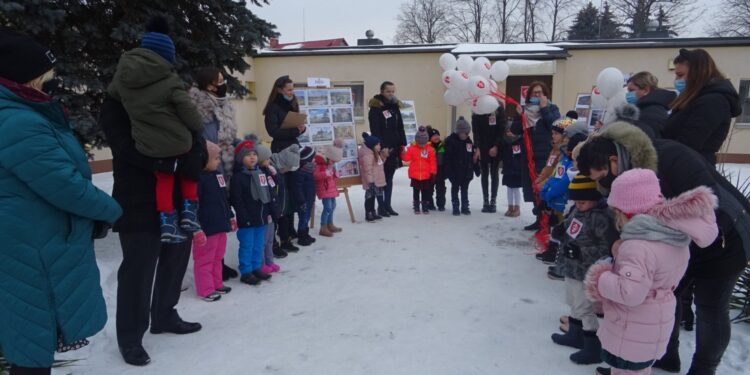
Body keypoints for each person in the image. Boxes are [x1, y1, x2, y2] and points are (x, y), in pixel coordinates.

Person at [576, 117, 750, 375]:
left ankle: (703, 370)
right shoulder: (623, 176)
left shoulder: (672, 157)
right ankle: (654, 358)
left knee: (709, 308)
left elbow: (704, 210)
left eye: (602, 176)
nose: (604, 184)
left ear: (613, 160)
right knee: (665, 296)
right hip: (676, 244)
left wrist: (647, 246)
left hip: (725, 238)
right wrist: (617, 243)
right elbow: (619, 210)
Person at [0, 29, 123, 374]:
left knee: (30, 337)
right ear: (28, 76)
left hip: (31, 236)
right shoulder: (17, 120)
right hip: (28, 245)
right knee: (31, 343)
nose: (52, 82)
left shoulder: (23, 112)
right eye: (47, 75)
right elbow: (63, 184)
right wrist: (113, 211)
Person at [101, 93, 202, 367]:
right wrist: (164, 163)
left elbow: (197, 134)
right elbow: (122, 146)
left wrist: (193, 160)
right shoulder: (117, 102)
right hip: (138, 199)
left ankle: (164, 314)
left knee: (176, 259)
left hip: (180, 198)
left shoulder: (173, 96)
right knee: (139, 269)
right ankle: (130, 337)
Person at [585, 168, 719, 375]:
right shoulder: (674, 236)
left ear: (625, 212)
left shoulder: (637, 246)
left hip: (630, 329)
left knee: (626, 371)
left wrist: (601, 276)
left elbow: (629, 293)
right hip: (654, 325)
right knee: (641, 370)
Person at [107, 16, 204, 243]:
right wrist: (197, 129)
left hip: (146, 145)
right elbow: (189, 112)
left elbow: (113, 99)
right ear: (166, 56)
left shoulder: (121, 80)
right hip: (178, 142)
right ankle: (189, 210)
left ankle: (167, 220)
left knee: (164, 179)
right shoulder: (169, 80)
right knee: (187, 171)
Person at [549, 174, 619, 365]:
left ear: (595, 199)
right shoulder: (577, 211)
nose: (579, 205)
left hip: (586, 271)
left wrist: (580, 251)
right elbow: (570, 228)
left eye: (583, 201)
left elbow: (606, 248)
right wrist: (560, 231)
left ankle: (593, 348)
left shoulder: (600, 217)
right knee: (572, 301)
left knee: (584, 308)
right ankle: (574, 334)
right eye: (577, 201)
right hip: (571, 268)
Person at [663, 48, 741, 165]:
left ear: (697, 73)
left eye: (680, 75)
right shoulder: (695, 98)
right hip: (684, 165)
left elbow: (688, 143)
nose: (676, 80)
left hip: (691, 169)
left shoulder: (713, 101)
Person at [263, 75, 306, 253]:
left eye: (292, 89)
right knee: (283, 195)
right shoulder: (273, 108)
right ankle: (282, 237)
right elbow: (273, 131)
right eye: (289, 89)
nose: (292, 92)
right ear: (279, 89)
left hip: (293, 151)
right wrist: (294, 131)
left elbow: (296, 129)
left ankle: (289, 233)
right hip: (281, 152)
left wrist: (302, 129)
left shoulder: (292, 104)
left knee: (293, 191)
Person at [511, 81, 561, 230]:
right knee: (532, 188)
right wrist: (518, 116)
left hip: (545, 155)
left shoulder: (552, 108)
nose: (537, 95)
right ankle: (539, 219)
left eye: (540, 92)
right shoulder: (525, 110)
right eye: (534, 93)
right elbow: (515, 130)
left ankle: (548, 220)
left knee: (543, 187)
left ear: (545, 94)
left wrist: (544, 108)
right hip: (528, 155)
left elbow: (556, 125)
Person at [192, 141, 236, 302]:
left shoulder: (218, 176)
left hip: (220, 224)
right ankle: (205, 289)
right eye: (215, 158)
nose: (218, 161)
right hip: (206, 227)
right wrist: (196, 227)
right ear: (203, 159)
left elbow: (224, 199)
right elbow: (194, 206)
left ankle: (217, 283)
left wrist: (230, 216)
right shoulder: (197, 180)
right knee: (204, 258)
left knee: (218, 256)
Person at [231, 139, 273, 286]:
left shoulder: (260, 173)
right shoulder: (238, 177)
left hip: (260, 218)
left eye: (254, 154)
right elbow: (237, 200)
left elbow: (266, 196)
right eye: (248, 154)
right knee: (247, 245)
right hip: (247, 220)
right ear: (240, 158)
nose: (252, 157)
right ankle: (246, 271)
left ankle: (256, 267)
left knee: (258, 244)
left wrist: (267, 213)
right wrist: (243, 217)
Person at [189, 66, 238, 180]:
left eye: (223, 80)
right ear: (210, 86)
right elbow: (209, 140)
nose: (224, 84)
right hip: (211, 164)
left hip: (228, 161)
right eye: (220, 82)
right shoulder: (201, 108)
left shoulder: (225, 105)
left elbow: (230, 137)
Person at [368, 81, 406, 216]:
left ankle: (387, 205)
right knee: (380, 178)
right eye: (388, 91)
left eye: (392, 91)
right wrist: (381, 147)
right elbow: (375, 130)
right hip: (383, 149)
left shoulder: (395, 107)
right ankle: (380, 206)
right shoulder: (376, 108)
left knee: (389, 178)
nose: (391, 94)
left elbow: (400, 127)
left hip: (394, 147)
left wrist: (403, 144)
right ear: (382, 91)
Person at [267, 144, 301, 259]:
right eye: (287, 168)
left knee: (284, 221)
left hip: (281, 203)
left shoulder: (279, 170)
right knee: (273, 226)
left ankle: (285, 241)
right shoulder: (271, 169)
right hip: (273, 205)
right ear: (283, 164)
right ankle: (273, 246)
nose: (287, 171)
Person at [472, 102, 507, 213]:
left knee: (494, 173)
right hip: (483, 146)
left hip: (495, 146)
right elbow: (476, 131)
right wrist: (477, 148)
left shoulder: (498, 108)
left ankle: (493, 201)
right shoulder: (477, 109)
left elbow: (501, 130)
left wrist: (496, 146)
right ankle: (485, 201)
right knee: (484, 173)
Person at [625, 71, 677, 140]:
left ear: (646, 90)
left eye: (631, 90)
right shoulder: (648, 108)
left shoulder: (650, 114)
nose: (628, 94)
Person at [445, 117, 480, 216]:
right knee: (455, 189)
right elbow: (447, 158)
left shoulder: (469, 142)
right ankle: (455, 206)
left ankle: (465, 206)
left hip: (466, 172)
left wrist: (476, 168)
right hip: (455, 172)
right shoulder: (451, 142)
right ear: (458, 132)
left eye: (465, 133)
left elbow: (473, 157)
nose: (464, 135)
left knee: (465, 189)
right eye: (461, 133)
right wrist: (449, 172)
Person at [401, 126, 437, 215]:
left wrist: (433, 171)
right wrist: (402, 152)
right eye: (420, 143)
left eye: (423, 143)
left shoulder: (430, 149)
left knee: (425, 192)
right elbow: (406, 158)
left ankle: (425, 206)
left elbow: (433, 161)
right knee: (416, 191)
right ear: (417, 141)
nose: (422, 145)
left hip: (426, 175)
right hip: (415, 175)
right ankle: (416, 206)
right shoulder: (412, 148)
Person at [314, 140, 344, 237]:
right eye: (332, 160)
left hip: (331, 189)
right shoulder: (318, 165)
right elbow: (316, 176)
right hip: (324, 189)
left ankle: (330, 224)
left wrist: (335, 174)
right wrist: (325, 173)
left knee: (333, 206)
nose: (333, 162)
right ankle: (323, 227)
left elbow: (331, 176)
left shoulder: (329, 164)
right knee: (327, 208)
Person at [359, 132, 388, 222]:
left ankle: (373, 212)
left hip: (375, 180)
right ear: (372, 145)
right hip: (371, 181)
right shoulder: (368, 155)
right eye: (378, 145)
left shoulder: (374, 153)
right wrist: (370, 181)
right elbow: (367, 170)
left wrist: (383, 156)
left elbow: (379, 164)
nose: (380, 146)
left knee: (373, 197)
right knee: (369, 198)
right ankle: (368, 214)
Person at [294, 146, 317, 245]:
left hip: (309, 199)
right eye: (312, 157)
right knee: (303, 218)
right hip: (303, 201)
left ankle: (306, 234)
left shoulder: (309, 170)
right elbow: (298, 189)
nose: (314, 159)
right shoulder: (300, 172)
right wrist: (302, 201)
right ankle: (301, 237)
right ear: (307, 159)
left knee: (307, 218)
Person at [502, 122, 524, 217]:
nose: (509, 133)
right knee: (509, 188)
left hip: (516, 169)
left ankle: (517, 207)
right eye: (507, 131)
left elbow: (520, 157)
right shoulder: (505, 142)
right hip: (508, 168)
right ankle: (510, 207)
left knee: (515, 188)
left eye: (511, 131)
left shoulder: (519, 141)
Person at [426, 126, 447, 211]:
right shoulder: (427, 147)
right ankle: (429, 204)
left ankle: (441, 204)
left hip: (440, 170)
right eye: (434, 136)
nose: (436, 137)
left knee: (441, 189)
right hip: (430, 172)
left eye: (437, 135)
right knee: (429, 189)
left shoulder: (443, 145)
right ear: (430, 138)